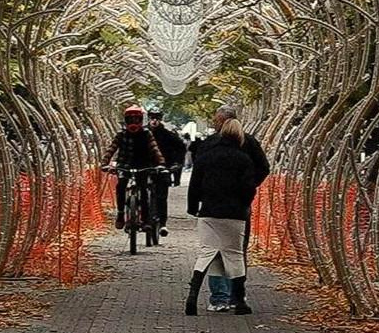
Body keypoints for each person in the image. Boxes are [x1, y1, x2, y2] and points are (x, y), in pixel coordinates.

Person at [179, 106, 271, 315]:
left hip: (210, 208)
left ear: (222, 122)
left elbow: (196, 179)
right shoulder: (246, 150)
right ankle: (237, 297)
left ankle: (214, 297)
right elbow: (261, 170)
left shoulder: (209, 147)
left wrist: (194, 206)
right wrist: (246, 196)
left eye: (216, 120)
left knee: (210, 253)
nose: (214, 123)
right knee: (236, 253)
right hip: (236, 210)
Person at [110, 107, 176, 250]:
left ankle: (146, 219)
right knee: (121, 186)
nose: (133, 122)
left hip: (143, 165)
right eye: (130, 119)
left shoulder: (146, 134)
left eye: (136, 119)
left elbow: (155, 149)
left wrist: (161, 164)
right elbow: (112, 149)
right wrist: (105, 164)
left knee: (144, 190)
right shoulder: (121, 134)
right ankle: (121, 214)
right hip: (125, 164)